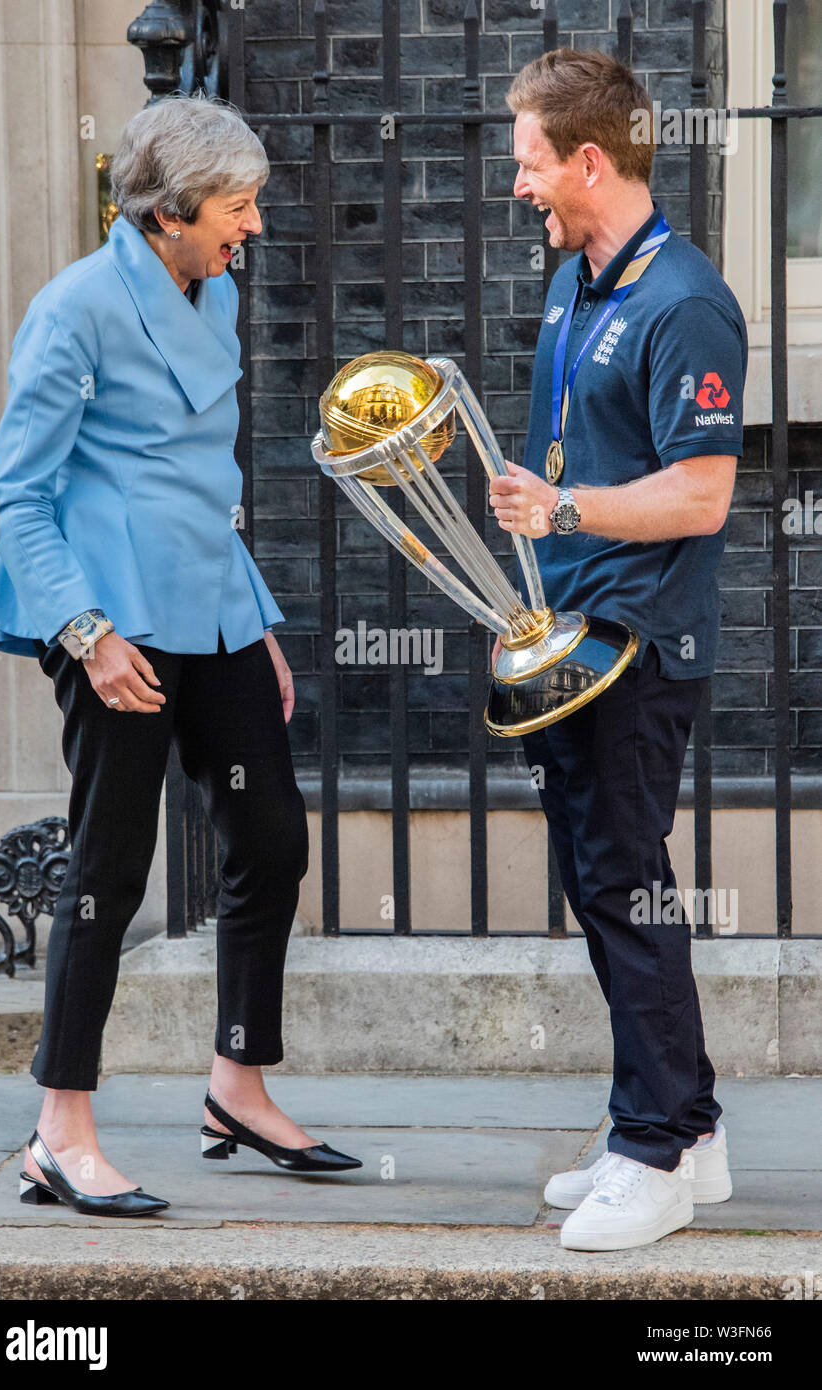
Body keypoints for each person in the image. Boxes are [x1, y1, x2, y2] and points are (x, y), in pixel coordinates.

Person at [0, 94, 360, 1217]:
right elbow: (19, 499)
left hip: (212, 607)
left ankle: (237, 1083)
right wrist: (86, 636)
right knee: (109, 869)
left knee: (271, 839)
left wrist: (256, 621)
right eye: (236, 208)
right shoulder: (74, 308)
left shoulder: (213, 288)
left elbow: (204, 484)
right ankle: (61, 1128)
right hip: (113, 623)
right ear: (172, 209)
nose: (250, 228)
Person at [489, 49, 747, 1252]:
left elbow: (700, 495)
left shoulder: (680, 299)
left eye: (530, 163)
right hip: (570, 633)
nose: (517, 185)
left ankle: (652, 1150)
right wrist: (539, 508)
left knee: (626, 886)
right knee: (604, 886)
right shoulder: (578, 278)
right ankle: (675, 1126)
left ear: (588, 160)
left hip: (638, 646)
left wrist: (568, 512)